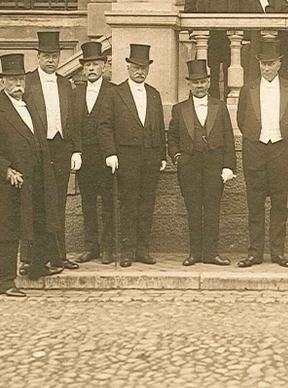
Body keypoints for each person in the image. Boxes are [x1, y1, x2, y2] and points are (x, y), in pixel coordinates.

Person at [0, 54, 61, 296]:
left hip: (38, 178)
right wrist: (5, 169)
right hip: (13, 182)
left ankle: (37, 268)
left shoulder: (29, 106)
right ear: (3, 82)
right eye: (11, 80)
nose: (17, 84)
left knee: (40, 224)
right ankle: (6, 281)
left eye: (20, 79)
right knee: (10, 231)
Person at [236, 38, 288, 268]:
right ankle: (255, 253)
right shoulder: (248, 89)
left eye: (271, 63)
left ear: (279, 64)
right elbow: (242, 120)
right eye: (263, 63)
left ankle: (277, 252)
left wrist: (281, 137)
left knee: (280, 203)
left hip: (281, 150)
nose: (266, 68)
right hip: (255, 149)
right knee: (254, 204)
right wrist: (257, 136)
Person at [99, 42, 167, 267]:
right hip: (125, 157)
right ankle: (127, 252)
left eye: (144, 68)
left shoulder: (154, 94)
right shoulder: (115, 94)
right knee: (128, 204)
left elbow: (159, 126)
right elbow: (104, 125)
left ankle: (142, 250)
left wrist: (162, 155)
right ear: (127, 67)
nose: (140, 72)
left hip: (150, 158)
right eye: (136, 67)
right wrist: (110, 152)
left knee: (147, 204)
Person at [167, 58, 236, 267]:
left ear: (209, 82)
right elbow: (172, 138)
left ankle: (211, 253)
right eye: (195, 82)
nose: (199, 86)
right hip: (189, 165)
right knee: (194, 210)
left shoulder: (220, 106)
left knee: (213, 209)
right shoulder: (179, 109)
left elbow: (228, 138)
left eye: (203, 82)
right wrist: (177, 157)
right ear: (189, 83)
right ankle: (195, 253)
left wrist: (228, 166)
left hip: (214, 165)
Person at [23, 29, 81, 271]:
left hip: (60, 148)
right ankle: (29, 258)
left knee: (58, 203)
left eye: (54, 56)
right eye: (46, 55)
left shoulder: (66, 84)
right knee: (34, 202)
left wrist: (76, 150)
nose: (50, 60)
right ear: (37, 56)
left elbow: (74, 120)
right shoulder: (26, 82)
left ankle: (59, 256)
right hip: (37, 150)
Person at [72, 40, 115, 265]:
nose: (91, 68)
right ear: (82, 67)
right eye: (87, 65)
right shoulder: (76, 93)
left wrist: (112, 153)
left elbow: (116, 125)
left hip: (106, 158)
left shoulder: (113, 91)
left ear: (104, 66)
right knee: (88, 203)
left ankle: (108, 248)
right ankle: (91, 247)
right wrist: (76, 151)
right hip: (84, 159)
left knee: (108, 203)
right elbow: (72, 125)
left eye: (95, 64)